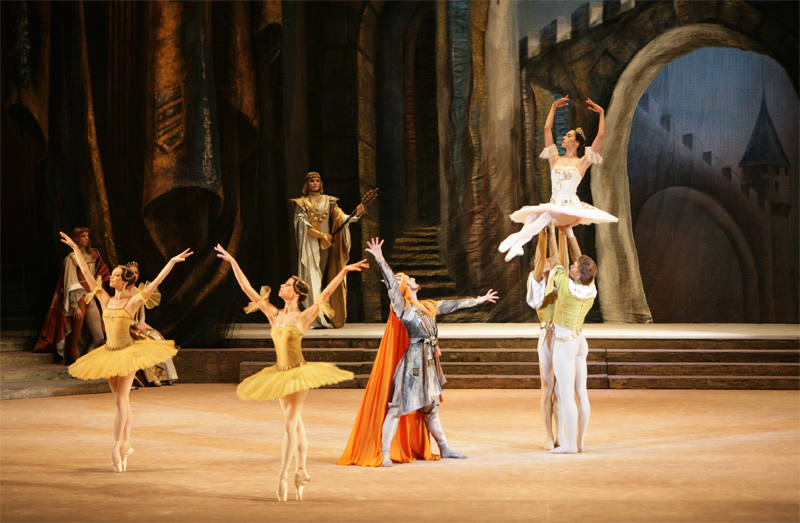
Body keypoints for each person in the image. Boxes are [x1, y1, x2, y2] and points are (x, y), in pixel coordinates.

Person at [214, 243, 366, 501]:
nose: (280, 287)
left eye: (285, 285)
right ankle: (302, 470)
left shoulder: (303, 317)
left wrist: (345, 270)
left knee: (289, 424)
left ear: (295, 293)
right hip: (280, 373)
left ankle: (283, 474)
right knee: (296, 424)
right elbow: (247, 289)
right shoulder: (273, 314)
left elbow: (327, 293)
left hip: (297, 374)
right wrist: (232, 261)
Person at [61, 232, 190, 472]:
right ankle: (127, 444)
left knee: (121, 400)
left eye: (117, 275)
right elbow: (87, 274)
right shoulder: (104, 298)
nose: (111, 277)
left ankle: (116, 445)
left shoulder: (132, 302)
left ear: (126, 281)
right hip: (109, 353)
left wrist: (171, 262)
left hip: (128, 353)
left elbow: (155, 284)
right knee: (122, 402)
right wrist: (74, 250)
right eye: (113, 274)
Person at [363, 237, 498, 467]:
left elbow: (452, 305)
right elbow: (392, 287)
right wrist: (380, 259)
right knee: (397, 407)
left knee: (431, 408)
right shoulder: (403, 307)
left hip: (428, 361)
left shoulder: (428, 306)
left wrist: (478, 301)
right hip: (413, 361)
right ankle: (385, 452)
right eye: (410, 279)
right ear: (406, 286)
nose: (414, 279)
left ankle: (444, 447)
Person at [499, 97, 617, 262]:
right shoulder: (555, 159)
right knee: (533, 215)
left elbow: (601, 135)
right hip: (555, 206)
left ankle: (516, 238)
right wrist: (553, 107)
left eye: (568, 136)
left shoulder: (582, 163)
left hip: (569, 210)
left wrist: (602, 113)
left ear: (576, 143)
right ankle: (518, 245)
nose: (563, 138)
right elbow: (547, 128)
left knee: (546, 215)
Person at [544, 225, 596, 454]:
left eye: (573, 267)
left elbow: (555, 259)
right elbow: (580, 258)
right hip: (580, 341)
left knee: (566, 395)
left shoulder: (566, 286)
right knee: (581, 393)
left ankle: (570, 445)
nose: (571, 265)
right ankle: (581, 441)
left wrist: (552, 230)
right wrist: (570, 232)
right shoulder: (590, 287)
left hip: (565, 343)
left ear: (577, 275)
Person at [290, 171, 364, 328]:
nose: (315, 183)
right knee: (311, 278)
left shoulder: (329, 201)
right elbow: (304, 226)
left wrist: (354, 214)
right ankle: (312, 316)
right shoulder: (301, 203)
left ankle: (324, 312)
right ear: (307, 183)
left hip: (326, 247)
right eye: (312, 181)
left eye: (317, 180)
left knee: (323, 277)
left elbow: (340, 218)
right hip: (310, 246)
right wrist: (322, 235)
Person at [33, 227, 111, 364]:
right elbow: (70, 282)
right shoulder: (71, 258)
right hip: (78, 297)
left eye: (87, 236)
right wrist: (75, 306)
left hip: (91, 295)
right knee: (75, 336)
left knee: (98, 336)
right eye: (83, 236)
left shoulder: (94, 254)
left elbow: (99, 273)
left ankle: (88, 363)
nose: (86, 238)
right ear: (76, 239)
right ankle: (78, 365)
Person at [126, 262, 179, 386]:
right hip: (126, 327)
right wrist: (135, 325)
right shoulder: (123, 292)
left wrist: (150, 328)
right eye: (131, 272)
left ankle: (165, 375)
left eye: (136, 272)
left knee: (157, 337)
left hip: (138, 325)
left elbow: (142, 318)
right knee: (145, 340)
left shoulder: (140, 292)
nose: (134, 275)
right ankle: (153, 377)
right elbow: (123, 315)